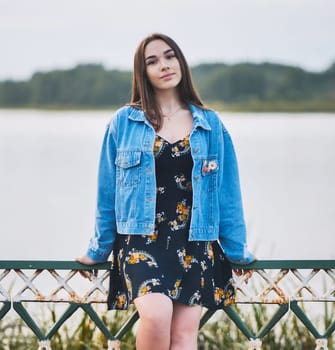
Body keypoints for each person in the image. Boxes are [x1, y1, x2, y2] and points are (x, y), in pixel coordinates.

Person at [76, 33, 255, 350]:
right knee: (156, 315)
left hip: (195, 242)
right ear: (142, 72)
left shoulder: (210, 125)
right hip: (141, 240)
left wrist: (237, 251)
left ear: (181, 62)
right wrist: (97, 250)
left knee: (184, 335)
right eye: (153, 61)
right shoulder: (125, 122)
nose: (164, 65)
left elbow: (228, 194)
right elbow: (107, 193)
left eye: (170, 56)